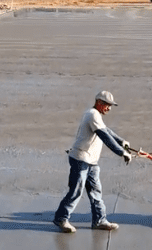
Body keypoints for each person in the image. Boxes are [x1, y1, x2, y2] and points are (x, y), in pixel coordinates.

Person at [53, 91, 132, 233]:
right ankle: (61, 218)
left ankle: (99, 221)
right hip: (81, 159)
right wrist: (122, 152)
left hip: (91, 162)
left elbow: (106, 130)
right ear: (99, 102)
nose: (109, 108)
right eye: (107, 105)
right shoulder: (92, 114)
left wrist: (121, 141)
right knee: (76, 191)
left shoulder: (96, 116)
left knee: (96, 192)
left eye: (111, 106)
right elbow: (104, 137)